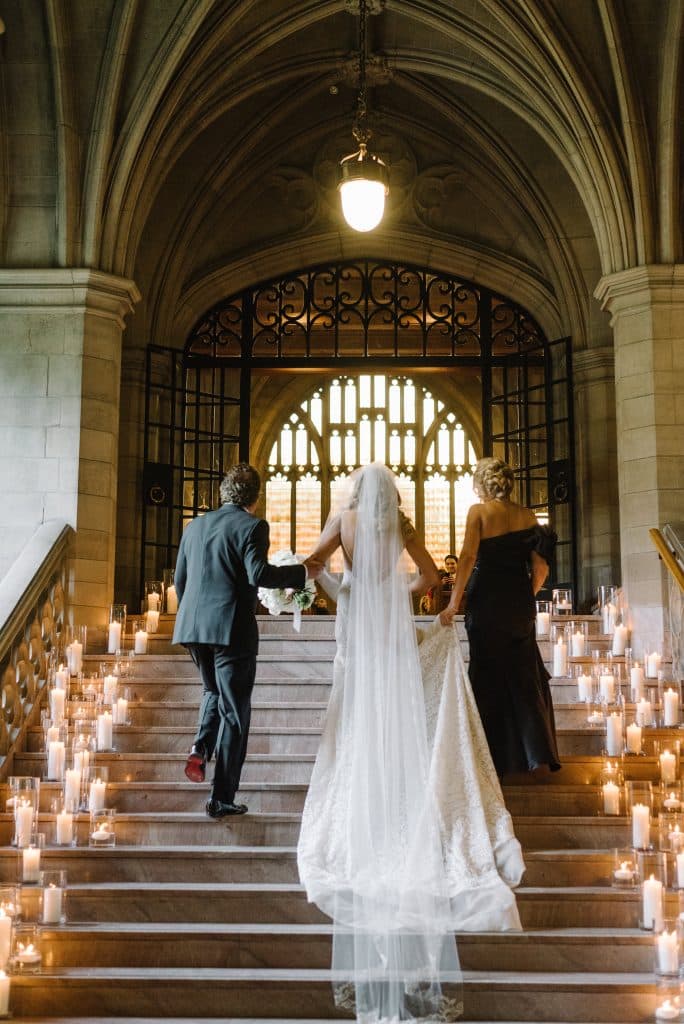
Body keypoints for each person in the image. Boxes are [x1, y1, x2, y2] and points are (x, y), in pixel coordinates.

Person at [297, 463, 524, 1024]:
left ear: (355, 490)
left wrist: (343, 589)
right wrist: (392, 588)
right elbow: (429, 580)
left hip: (358, 629)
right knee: (398, 710)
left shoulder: (341, 519)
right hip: (392, 629)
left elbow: (311, 565)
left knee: (356, 717)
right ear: (392, 494)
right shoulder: (401, 523)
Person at [173, 462, 322, 818]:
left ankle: (200, 745)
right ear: (255, 498)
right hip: (231, 630)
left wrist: (195, 616)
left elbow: (181, 579)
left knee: (212, 692)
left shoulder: (195, 526)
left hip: (193, 628)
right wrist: (303, 572)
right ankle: (221, 796)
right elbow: (259, 574)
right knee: (236, 714)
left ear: (223, 493)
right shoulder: (253, 526)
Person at [440, 456, 560, 777]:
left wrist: (453, 603)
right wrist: (525, 596)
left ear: (482, 483)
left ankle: (486, 755)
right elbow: (541, 568)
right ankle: (533, 756)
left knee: (487, 672)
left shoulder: (478, 513)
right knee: (522, 676)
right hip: (518, 604)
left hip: (486, 602)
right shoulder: (527, 515)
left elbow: (466, 558)